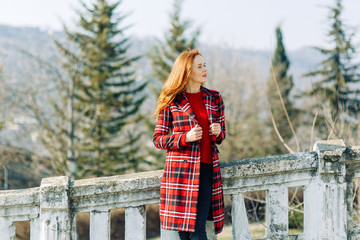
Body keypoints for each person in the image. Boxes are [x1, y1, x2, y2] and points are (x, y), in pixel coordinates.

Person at [153, 49, 226, 239]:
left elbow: (221, 135)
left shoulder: (214, 98)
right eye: (199, 67)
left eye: (205, 65)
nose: (205, 70)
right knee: (183, 234)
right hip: (179, 173)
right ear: (187, 71)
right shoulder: (171, 100)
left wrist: (218, 132)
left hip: (206, 170)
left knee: (197, 230)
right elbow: (158, 139)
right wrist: (184, 137)